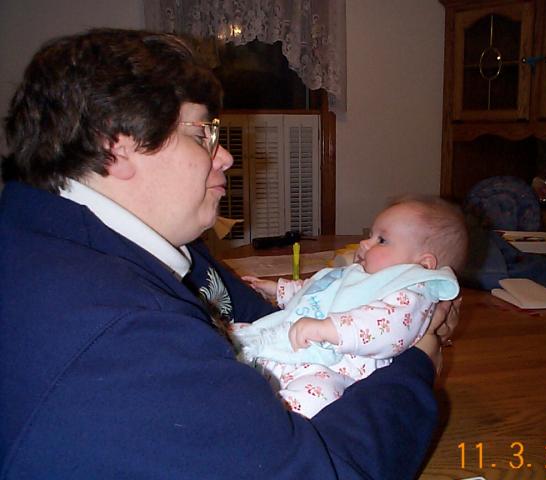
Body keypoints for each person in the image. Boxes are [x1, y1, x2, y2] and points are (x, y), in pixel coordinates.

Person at [0, 29, 459, 480]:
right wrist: (416, 360)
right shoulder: (118, 331)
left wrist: (382, 311)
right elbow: (324, 473)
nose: (225, 158)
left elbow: (268, 323)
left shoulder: (136, 247)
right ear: (117, 145)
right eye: (203, 134)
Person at [235, 199, 468, 417]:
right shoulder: (356, 274)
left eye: (382, 240)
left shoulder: (411, 293)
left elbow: (387, 329)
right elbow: (319, 291)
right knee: (235, 334)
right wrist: (278, 289)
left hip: (331, 368)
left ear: (423, 265)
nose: (365, 243)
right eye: (370, 235)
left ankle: (273, 421)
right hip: (284, 345)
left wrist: (329, 329)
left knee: (315, 397)